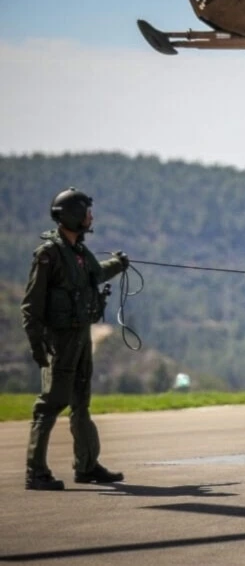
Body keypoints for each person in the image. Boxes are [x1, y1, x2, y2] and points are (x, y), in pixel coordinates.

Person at [22, 187, 130, 491]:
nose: (90, 217)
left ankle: (86, 466)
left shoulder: (79, 252)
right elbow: (31, 305)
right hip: (60, 339)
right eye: (86, 211)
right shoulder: (49, 254)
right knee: (51, 403)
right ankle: (36, 472)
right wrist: (37, 345)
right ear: (73, 215)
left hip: (81, 336)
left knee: (81, 403)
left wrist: (119, 264)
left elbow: (95, 274)